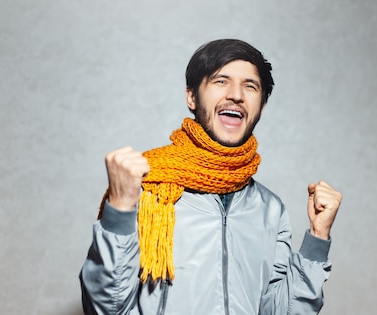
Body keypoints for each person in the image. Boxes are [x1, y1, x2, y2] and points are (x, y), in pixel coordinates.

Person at [79, 39, 343, 315]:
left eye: (250, 86)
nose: (236, 95)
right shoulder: (145, 189)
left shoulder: (271, 209)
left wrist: (317, 237)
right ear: (192, 97)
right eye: (221, 81)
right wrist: (119, 210)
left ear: (261, 107)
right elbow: (105, 309)